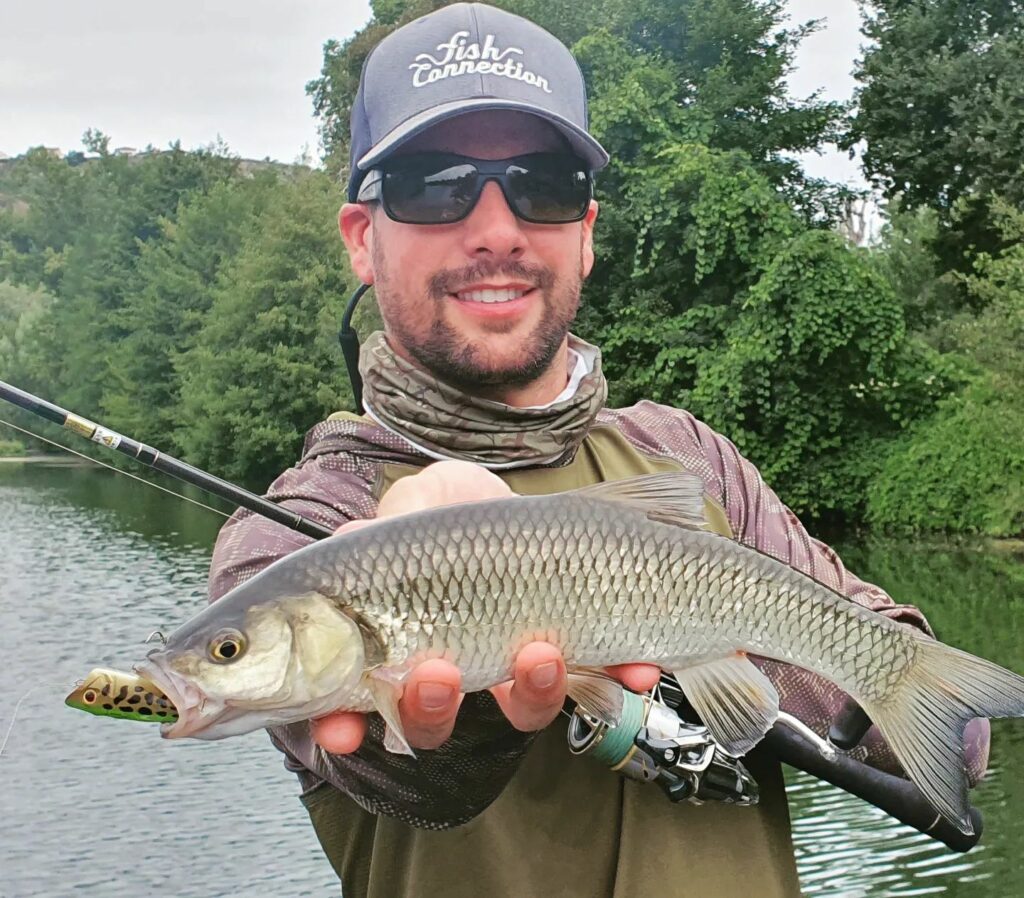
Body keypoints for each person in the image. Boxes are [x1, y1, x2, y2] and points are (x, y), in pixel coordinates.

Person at [207, 4, 989, 896]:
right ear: (360, 237)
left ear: (585, 230)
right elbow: (397, 776)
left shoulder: (689, 457)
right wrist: (471, 631)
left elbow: (951, 741)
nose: (496, 228)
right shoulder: (295, 536)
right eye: (434, 184)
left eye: (540, 184)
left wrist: (724, 635)